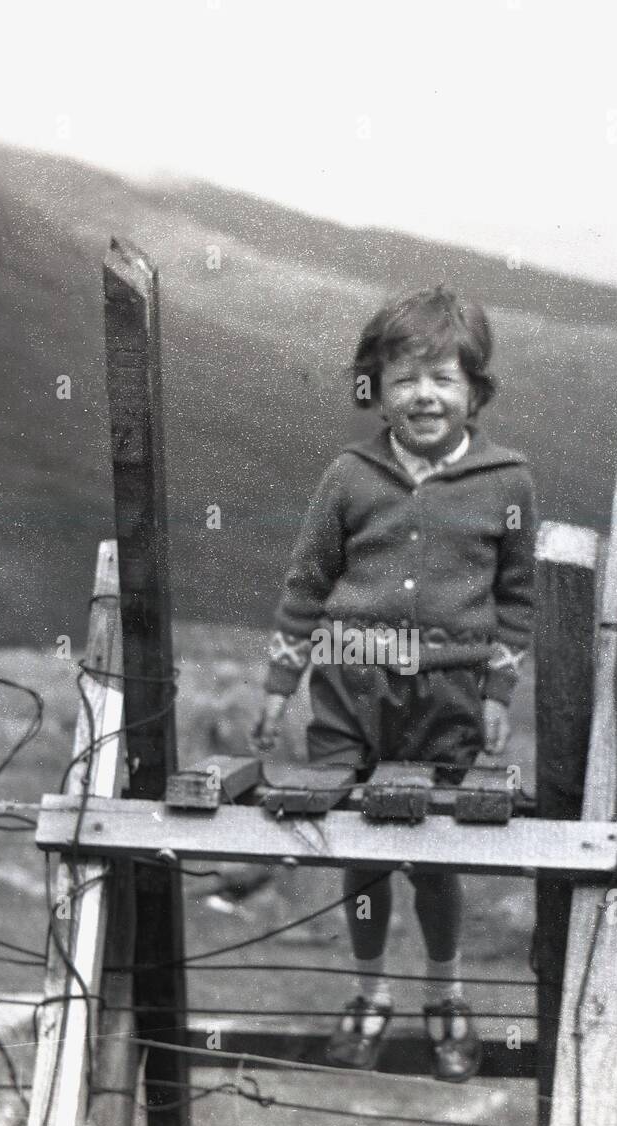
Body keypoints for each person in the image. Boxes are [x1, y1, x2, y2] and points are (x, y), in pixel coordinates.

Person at [251, 286, 537, 1082]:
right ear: (374, 387)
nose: (424, 395)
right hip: (348, 694)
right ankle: (369, 994)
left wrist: (496, 695)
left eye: (443, 378)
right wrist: (281, 684)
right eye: (404, 377)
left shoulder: (509, 483)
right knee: (360, 848)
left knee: (435, 853)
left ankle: (443, 995)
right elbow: (307, 583)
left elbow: (517, 600)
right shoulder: (348, 477)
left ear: (476, 391)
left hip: (444, 703)